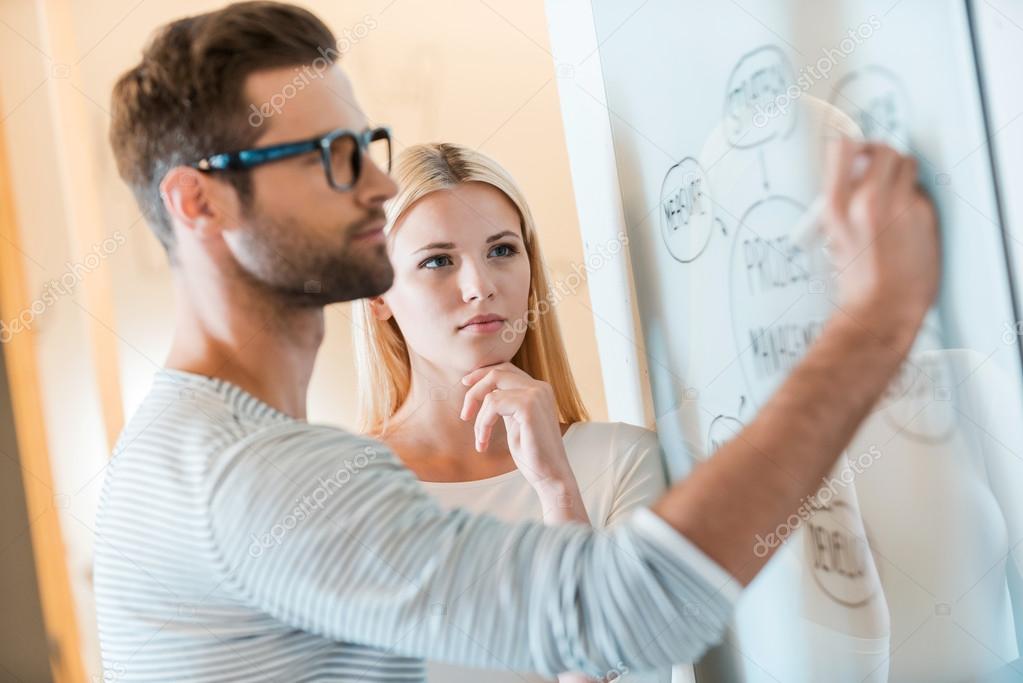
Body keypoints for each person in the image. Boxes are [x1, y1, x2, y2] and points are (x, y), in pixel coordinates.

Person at [94, 2, 939, 681]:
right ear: (199, 203)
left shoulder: (184, 447)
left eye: (369, 145)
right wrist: (874, 320)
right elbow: (627, 612)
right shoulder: (253, 472)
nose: (381, 183)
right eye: (332, 155)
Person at [352, 142, 671, 683]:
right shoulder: (340, 493)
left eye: (501, 250)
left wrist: (558, 493)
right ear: (377, 295)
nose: (481, 287)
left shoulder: (622, 463)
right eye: (437, 261)